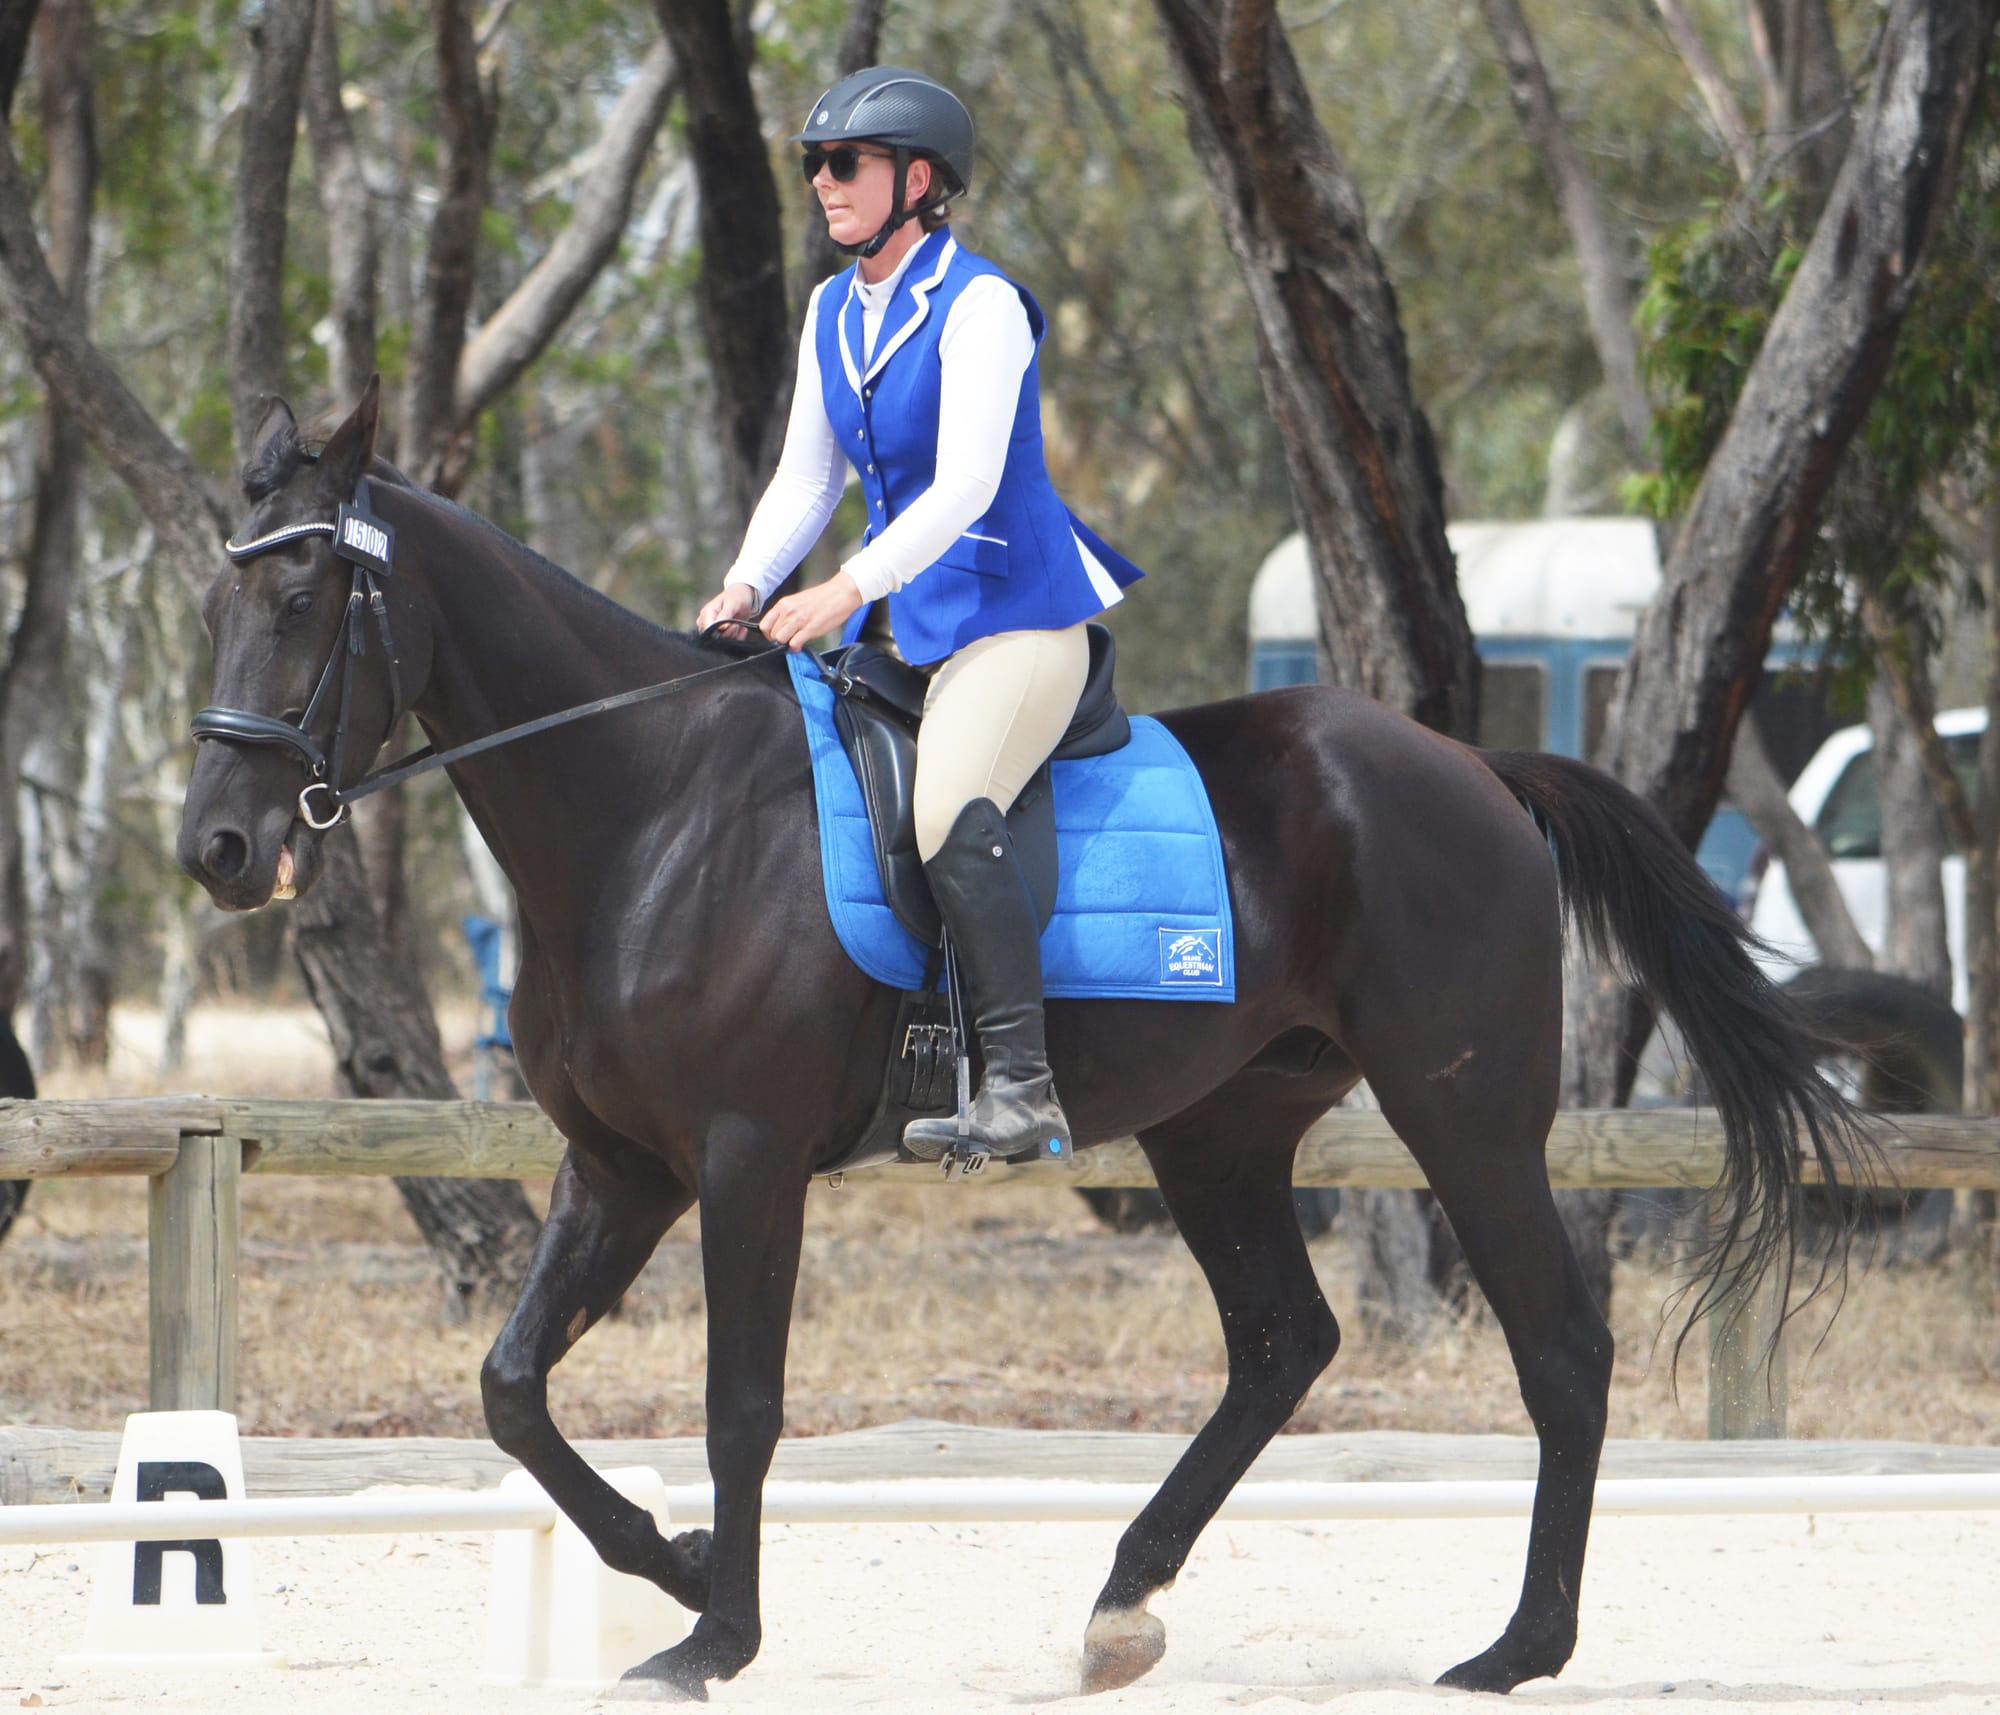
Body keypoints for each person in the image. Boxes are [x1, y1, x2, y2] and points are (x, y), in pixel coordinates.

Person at [697, 65, 1144, 1167]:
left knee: (946, 804)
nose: (821, 182)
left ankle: (1021, 1085)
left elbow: (965, 486)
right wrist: (749, 583)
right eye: (812, 165)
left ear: (918, 180)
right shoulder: (829, 312)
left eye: (842, 162)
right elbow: (807, 479)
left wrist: (845, 587)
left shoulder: (982, 304)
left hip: (1018, 621)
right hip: (912, 634)